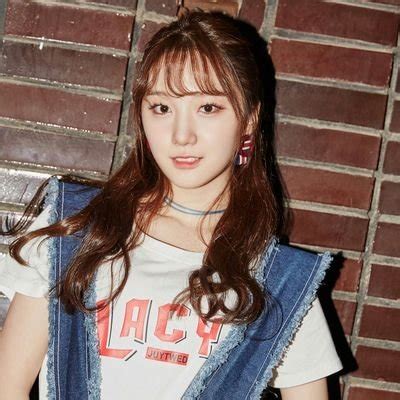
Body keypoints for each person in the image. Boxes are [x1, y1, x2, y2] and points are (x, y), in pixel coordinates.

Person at [0, 9, 342, 400]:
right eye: (162, 108)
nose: (181, 135)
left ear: (249, 119)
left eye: (208, 108)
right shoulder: (75, 227)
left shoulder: (281, 280)